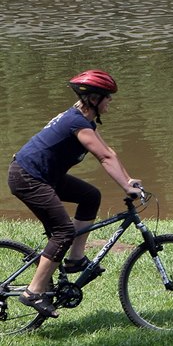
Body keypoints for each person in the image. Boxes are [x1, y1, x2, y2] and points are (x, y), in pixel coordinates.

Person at [8, 70, 142, 317]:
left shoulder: (84, 119)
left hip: (45, 176)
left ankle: (75, 260)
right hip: (27, 177)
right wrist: (126, 187)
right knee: (63, 231)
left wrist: (128, 179)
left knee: (90, 196)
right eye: (107, 97)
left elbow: (108, 151)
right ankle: (33, 292)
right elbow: (102, 157)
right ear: (93, 99)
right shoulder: (76, 122)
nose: (110, 101)